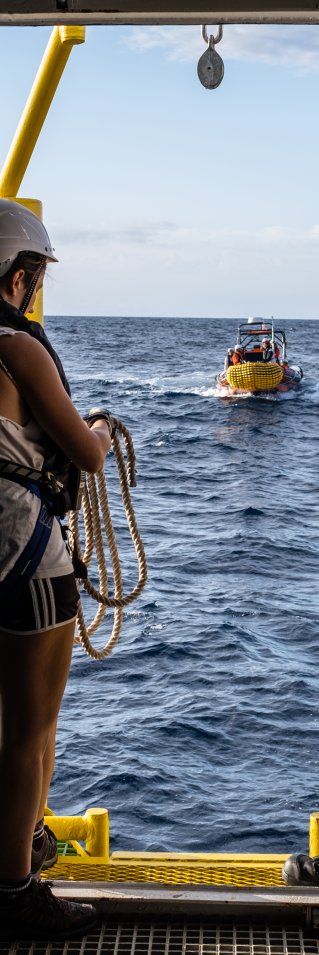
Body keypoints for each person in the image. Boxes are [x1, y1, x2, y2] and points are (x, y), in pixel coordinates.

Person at [0, 199, 112, 939]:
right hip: (25, 548)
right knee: (30, 732)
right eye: (34, 274)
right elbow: (87, 451)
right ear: (18, 274)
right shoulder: (18, 346)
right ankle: (16, 888)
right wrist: (99, 427)